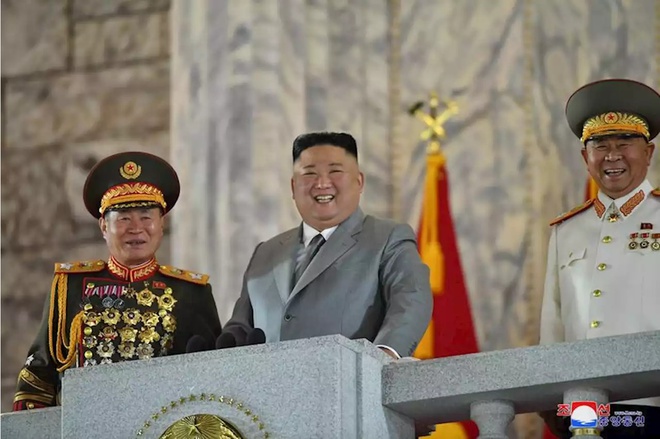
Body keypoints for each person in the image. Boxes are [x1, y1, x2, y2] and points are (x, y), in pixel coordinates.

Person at [13, 151, 222, 411]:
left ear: (162, 224)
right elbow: (38, 377)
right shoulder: (70, 287)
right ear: (103, 226)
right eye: (123, 218)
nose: (136, 228)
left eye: (146, 217)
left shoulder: (191, 292)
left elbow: (211, 378)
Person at [222, 132, 432, 359]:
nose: (322, 183)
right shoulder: (266, 252)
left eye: (335, 171)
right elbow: (240, 328)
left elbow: (411, 299)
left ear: (359, 181)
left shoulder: (387, 238)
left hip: (349, 378)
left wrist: (383, 358)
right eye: (309, 173)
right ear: (293, 187)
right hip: (268, 380)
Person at [540, 79, 660, 437]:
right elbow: (553, 323)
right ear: (585, 157)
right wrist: (551, 400)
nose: (612, 156)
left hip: (650, 404)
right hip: (583, 409)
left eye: (624, 144)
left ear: (649, 152)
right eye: (601, 146)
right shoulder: (566, 230)